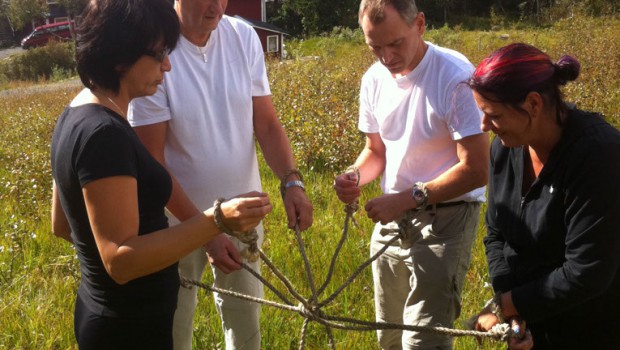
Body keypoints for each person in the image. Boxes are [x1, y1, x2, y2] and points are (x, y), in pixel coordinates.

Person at [50, 0, 272, 348]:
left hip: (109, 314)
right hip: (129, 328)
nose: (167, 66)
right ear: (121, 57)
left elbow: (63, 225)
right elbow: (121, 262)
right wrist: (216, 220)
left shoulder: (76, 114)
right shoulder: (105, 135)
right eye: (157, 55)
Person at [128, 0, 313, 349]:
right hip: (173, 223)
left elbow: (267, 124)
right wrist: (205, 229)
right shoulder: (154, 48)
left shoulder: (242, 35)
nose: (217, 5)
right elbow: (152, 160)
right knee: (172, 327)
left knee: (246, 327)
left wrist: (292, 181)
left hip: (242, 213)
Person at [333, 0, 489, 348]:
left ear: (419, 24)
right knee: (388, 334)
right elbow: (376, 152)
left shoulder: (455, 76)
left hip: (445, 221)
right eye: (375, 47)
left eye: (395, 43)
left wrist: (405, 199)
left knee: (423, 341)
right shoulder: (373, 80)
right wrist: (354, 176)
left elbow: (477, 170)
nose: (386, 57)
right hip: (391, 221)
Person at [469, 43, 620, 349]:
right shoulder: (505, 147)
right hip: (534, 319)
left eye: (492, 115)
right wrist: (514, 312)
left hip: (593, 326)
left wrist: (506, 305)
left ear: (534, 105)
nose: (484, 126)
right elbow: (497, 232)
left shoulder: (598, 154)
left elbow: (587, 272)